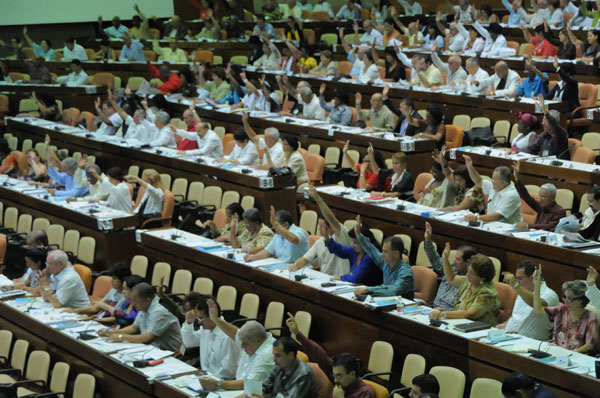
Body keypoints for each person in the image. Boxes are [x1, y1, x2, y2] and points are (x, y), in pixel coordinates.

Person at [286, 313, 375, 398]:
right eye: (334, 376)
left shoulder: (365, 393)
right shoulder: (339, 381)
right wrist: (297, 333)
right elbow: (319, 355)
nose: (335, 380)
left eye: (339, 376)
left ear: (352, 374)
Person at [200, 300, 275, 391]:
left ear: (258, 341)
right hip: (238, 387)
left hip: (250, 392)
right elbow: (235, 333)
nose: (241, 346)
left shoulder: (268, 354)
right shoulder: (253, 341)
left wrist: (218, 384)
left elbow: (250, 383)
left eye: (244, 344)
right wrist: (216, 320)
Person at [533, 265, 599, 353]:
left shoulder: (590, 316)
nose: (565, 301)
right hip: (554, 353)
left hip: (575, 357)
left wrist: (572, 352)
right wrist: (537, 286)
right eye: (565, 297)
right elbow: (538, 309)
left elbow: (590, 344)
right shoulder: (562, 310)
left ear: (580, 300)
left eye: (570, 298)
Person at [429, 245, 501, 325]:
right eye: (468, 270)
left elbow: (469, 314)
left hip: (479, 330)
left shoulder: (487, 293)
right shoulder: (468, 281)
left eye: (472, 273)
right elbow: (451, 278)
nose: (467, 274)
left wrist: (443, 314)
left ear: (482, 277)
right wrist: (445, 258)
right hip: (461, 324)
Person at [100, 283, 182, 351]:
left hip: (169, 352)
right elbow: (134, 327)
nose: (133, 304)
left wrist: (120, 337)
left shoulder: (160, 311)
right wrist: (112, 332)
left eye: (135, 301)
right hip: (151, 348)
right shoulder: (144, 305)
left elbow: (148, 338)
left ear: (147, 300)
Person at [181, 295, 241, 380]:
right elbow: (189, 342)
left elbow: (228, 371)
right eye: (198, 318)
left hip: (222, 381)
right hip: (206, 377)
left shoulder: (227, 336)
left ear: (212, 316)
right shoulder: (205, 330)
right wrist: (189, 323)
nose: (199, 322)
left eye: (201, 318)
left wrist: (210, 380)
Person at [353, 215, 414, 297]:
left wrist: (369, 289)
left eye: (386, 251)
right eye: (382, 251)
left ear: (396, 254)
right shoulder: (386, 262)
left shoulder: (405, 272)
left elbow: (394, 290)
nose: (382, 254)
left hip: (403, 306)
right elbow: (372, 250)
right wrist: (359, 235)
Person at [499, 261, 559, 340]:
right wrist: (502, 326)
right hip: (509, 337)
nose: (517, 282)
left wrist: (516, 286)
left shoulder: (550, 294)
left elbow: (537, 305)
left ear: (533, 277)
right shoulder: (523, 291)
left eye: (519, 279)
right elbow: (517, 317)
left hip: (530, 342)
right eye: (516, 279)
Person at [424, 222, 477, 310]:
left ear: (468, 262)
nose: (454, 262)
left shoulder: (470, 281)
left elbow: (463, 310)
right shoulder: (451, 267)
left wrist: (443, 312)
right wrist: (428, 240)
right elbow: (435, 261)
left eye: (458, 260)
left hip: (449, 315)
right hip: (433, 309)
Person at [463, 156, 523, 224]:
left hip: (507, 229)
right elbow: (478, 181)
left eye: (494, 179)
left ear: (503, 182)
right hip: (491, 225)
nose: (492, 181)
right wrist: (470, 167)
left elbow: (498, 216)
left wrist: (477, 218)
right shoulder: (494, 186)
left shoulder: (512, 195)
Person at [291, 212, 352, 277]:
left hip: (342, 280)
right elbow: (305, 258)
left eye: (322, 226)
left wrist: (320, 202)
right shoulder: (320, 241)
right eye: (318, 226)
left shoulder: (342, 237)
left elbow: (334, 221)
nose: (319, 229)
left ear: (331, 226)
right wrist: (294, 266)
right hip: (324, 279)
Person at [62, 263, 131, 317]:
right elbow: (96, 308)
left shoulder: (127, 297)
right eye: (112, 278)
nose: (112, 281)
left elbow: (117, 316)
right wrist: (73, 311)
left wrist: (103, 306)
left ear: (123, 280)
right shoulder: (113, 291)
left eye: (115, 279)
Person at [513, 161, 565, 230]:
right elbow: (526, 197)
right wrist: (517, 178)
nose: (541, 199)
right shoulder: (541, 206)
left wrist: (528, 226)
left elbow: (549, 226)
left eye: (543, 197)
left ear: (552, 198)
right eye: (540, 196)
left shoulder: (559, 211)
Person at [245, 207, 309, 263]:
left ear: (286, 224)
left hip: (299, 269)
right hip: (282, 267)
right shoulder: (277, 236)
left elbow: (294, 240)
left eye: (276, 225)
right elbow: (267, 252)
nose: (274, 228)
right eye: (274, 225)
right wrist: (252, 257)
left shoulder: (299, 232)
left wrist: (276, 225)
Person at [435, 149, 484, 214]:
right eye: (456, 180)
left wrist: (439, 210)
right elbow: (449, 174)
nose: (456, 182)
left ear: (467, 179)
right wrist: (442, 163)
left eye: (459, 180)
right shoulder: (462, 186)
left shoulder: (475, 190)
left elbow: (460, 208)